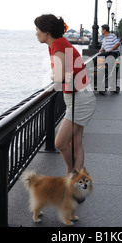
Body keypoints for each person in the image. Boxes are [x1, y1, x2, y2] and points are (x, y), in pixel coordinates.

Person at [35, 14, 96, 173]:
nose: (36, 33)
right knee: (75, 142)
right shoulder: (56, 44)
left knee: (60, 143)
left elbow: (59, 76)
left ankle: (72, 173)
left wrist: (53, 74)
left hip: (80, 99)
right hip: (78, 97)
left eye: (37, 29)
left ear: (46, 32)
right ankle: (78, 180)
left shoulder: (58, 46)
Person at [99, 24, 120, 94]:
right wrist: (101, 50)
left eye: (101, 29)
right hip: (107, 54)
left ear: (105, 30)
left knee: (111, 69)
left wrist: (111, 49)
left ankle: (110, 85)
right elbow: (102, 48)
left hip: (114, 54)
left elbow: (117, 43)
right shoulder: (104, 39)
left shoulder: (112, 36)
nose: (101, 31)